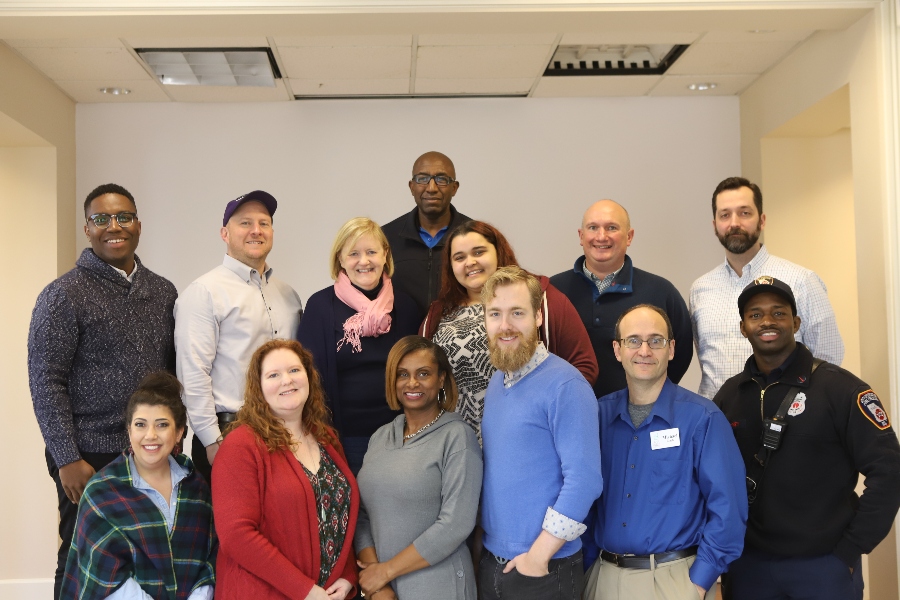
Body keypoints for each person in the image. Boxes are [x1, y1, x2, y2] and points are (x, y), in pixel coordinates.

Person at [27, 182, 178, 598]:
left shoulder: (163, 291)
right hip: (88, 455)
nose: (114, 226)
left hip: (150, 449)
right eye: (101, 218)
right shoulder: (63, 295)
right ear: (87, 228)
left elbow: (170, 375)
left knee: (145, 558)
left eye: (123, 216)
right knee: (83, 559)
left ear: (138, 224)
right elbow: (46, 380)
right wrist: (67, 458)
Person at [714, 276, 900, 600]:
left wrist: (851, 550)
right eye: (755, 315)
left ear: (796, 322)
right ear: (743, 327)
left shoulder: (841, 390)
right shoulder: (729, 395)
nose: (767, 321)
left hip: (824, 568)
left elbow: (890, 470)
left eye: (779, 313)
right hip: (749, 569)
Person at [582, 304, 746, 600]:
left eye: (655, 340)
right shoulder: (597, 416)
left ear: (671, 349)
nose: (644, 350)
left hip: (675, 582)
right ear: (617, 350)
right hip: (603, 578)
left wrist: (698, 583)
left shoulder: (702, 419)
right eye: (633, 340)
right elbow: (586, 501)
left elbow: (728, 509)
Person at [478, 266, 602, 600]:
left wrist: (538, 556)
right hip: (493, 562)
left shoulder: (567, 385)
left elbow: (585, 480)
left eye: (517, 313)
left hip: (545, 570)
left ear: (537, 317)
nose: (505, 326)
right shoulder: (495, 383)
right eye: (495, 314)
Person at [421, 220, 597, 441]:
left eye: (479, 252)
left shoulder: (541, 298)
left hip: (525, 437)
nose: (470, 262)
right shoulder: (438, 313)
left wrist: (543, 414)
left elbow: (585, 366)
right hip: (457, 444)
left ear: (498, 252)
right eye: (459, 257)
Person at [213, 339, 358, 600]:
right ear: (259, 387)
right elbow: (237, 536)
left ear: (308, 377)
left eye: (294, 370)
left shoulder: (326, 438)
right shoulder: (240, 445)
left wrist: (348, 576)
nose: (287, 380)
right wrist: (303, 590)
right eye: (273, 375)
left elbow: (338, 513)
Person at [175, 190, 303, 481]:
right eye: (245, 223)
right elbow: (193, 373)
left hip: (285, 432)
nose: (256, 230)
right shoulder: (204, 293)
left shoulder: (288, 295)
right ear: (225, 232)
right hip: (230, 432)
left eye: (264, 223)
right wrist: (211, 441)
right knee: (232, 526)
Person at [61, 371, 216, 599]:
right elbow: (102, 576)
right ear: (129, 430)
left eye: (162, 425)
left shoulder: (197, 488)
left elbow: (210, 559)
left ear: (179, 433)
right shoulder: (101, 491)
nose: (150, 435)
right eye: (141, 424)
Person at [691, 176, 844, 399]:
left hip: (785, 417)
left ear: (761, 220)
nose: (734, 223)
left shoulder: (801, 280)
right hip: (717, 419)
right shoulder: (700, 289)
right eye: (725, 215)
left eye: (745, 213)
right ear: (715, 225)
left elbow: (828, 358)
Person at [355, 336, 482, 600]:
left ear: (442, 379)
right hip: (384, 590)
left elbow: (455, 524)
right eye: (403, 374)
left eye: (423, 373)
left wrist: (385, 572)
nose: (412, 383)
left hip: (440, 586)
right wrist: (377, 585)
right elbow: (362, 514)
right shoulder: (380, 437)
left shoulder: (458, 437)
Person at [298, 217, 421, 474]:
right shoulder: (320, 307)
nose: (363, 261)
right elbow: (308, 378)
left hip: (400, 437)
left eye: (371, 252)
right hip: (342, 440)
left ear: (385, 254)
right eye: (353, 253)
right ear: (340, 260)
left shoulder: (407, 307)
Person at [551, 199, 692, 399]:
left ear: (629, 236)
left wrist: (646, 397)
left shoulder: (661, 292)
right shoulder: (553, 291)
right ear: (581, 236)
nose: (601, 236)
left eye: (611, 228)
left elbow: (680, 354)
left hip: (639, 418)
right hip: (568, 413)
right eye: (593, 228)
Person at [382, 151, 472, 314]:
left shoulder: (476, 237)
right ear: (412, 186)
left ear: (454, 188)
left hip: (457, 337)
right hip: (403, 338)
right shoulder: (386, 237)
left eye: (441, 179)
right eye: (422, 179)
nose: (431, 188)